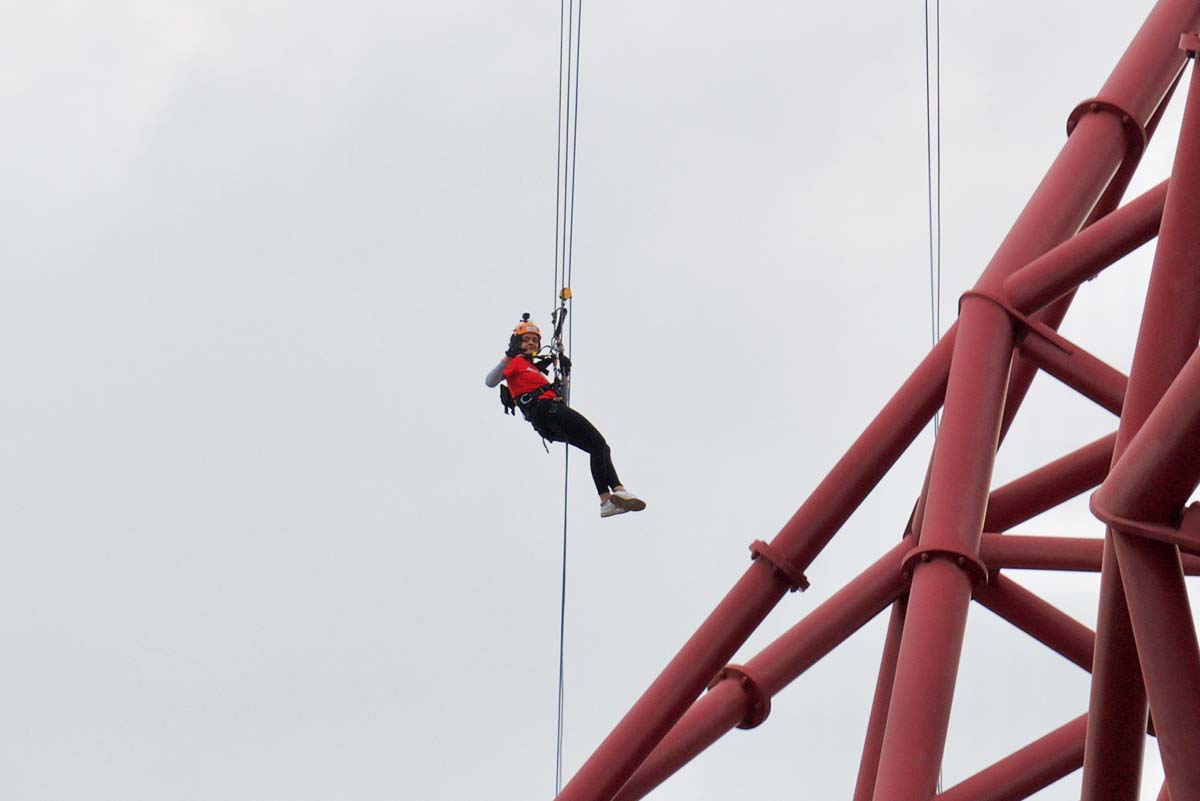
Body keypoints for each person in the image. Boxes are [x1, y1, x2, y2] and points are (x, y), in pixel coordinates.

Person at [486, 317, 646, 519]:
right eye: (526, 339)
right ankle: (617, 489)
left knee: (601, 448)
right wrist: (506, 357)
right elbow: (490, 381)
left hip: (549, 418)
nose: (531, 344)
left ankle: (607, 501)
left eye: (534, 341)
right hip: (545, 410)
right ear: (516, 342)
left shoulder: (534, 370)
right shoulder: (515, 363)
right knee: (598, 443)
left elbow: (563, 396)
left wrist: (564, 373)